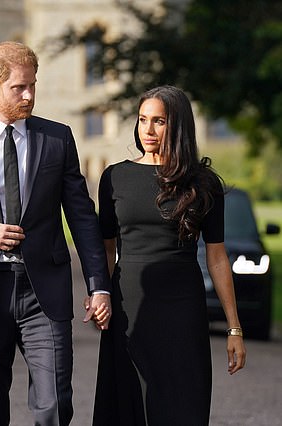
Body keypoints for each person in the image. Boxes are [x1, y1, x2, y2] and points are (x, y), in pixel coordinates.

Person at [0, 41, 111, 426]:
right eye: (19, 88)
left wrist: (98, 284)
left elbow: (82, 216)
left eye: (33, 86)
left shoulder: (57, 139)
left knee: (55, 407)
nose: (29, 96)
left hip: (43, 293)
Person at [92, 85, 247, 425]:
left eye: (158, 121)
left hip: (183, 309)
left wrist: (234, 328)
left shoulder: (203, 182)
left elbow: (217, 257)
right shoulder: (114, 177)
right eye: (143, 119)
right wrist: (99, 295)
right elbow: (105, 249)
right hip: (128, 307)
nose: (147, 130)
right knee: (128, 404)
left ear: (177, 126)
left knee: (181, 405)